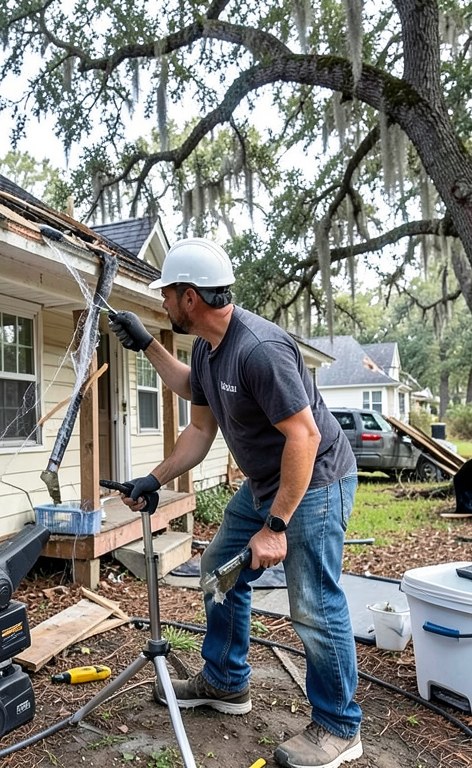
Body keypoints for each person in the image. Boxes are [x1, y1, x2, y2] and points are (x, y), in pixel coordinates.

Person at [108, 238, 362, 768]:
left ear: (191, 298)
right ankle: (225, 683)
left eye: (168, 295)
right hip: (267, 481)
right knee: (217, 570)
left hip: (313, 482)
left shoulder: (259, 350)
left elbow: (305, 438)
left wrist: (275, 527)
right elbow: (199, 426)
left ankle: (339, 727)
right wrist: (153, 479)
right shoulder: (206, 346)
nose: (163, 304)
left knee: (314, 605)